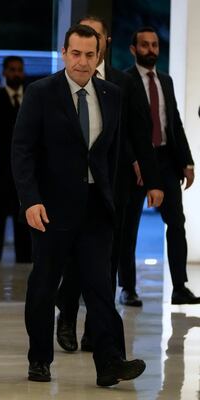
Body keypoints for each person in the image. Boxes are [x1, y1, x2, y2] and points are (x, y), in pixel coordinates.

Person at [12, 24, 146, 386]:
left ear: (98, 55)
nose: (82, 62)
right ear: (64, 52)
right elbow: (22, 151)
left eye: (90, 55)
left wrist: (113, 200)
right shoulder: (41, 93)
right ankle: (39, 359)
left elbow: (112, 154)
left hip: (96, 209)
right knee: (43, 286)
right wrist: (30, 200)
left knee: (101, 287)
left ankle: (110, 363)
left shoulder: (112, 94)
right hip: (50, 209)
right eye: (76, 54)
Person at [54, 16, 164, 353]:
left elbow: (139, 134)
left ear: (103, 43)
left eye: (95, 39)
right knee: (74, 261)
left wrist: (153, 178)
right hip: (72, 192)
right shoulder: (59, 85)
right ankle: (67, 316)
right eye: (81, 43)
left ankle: (95, 330)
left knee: (107, 261)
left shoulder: (122, 83)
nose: (88, 48)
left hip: (112, 189)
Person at [122, 26, 198, 305]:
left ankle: (180, 287)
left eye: (154, 45)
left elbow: (173, 122)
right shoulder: (124, 81)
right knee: (128, 228)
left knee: (176, 223)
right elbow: (124, 129)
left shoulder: (165, 80)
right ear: (133, 49)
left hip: (166, 160)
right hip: (137, 164)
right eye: (145, 45)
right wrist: (133, 160)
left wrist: (187, 161)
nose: (151, 50)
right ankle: (128, 288)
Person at [0, 55, 32, 263]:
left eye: (19, 69)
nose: (16, 73)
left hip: (24, 174)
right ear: (4, 72)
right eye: (11, 69)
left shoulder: (32, 99)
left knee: (24, 224)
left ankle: (25, 264)